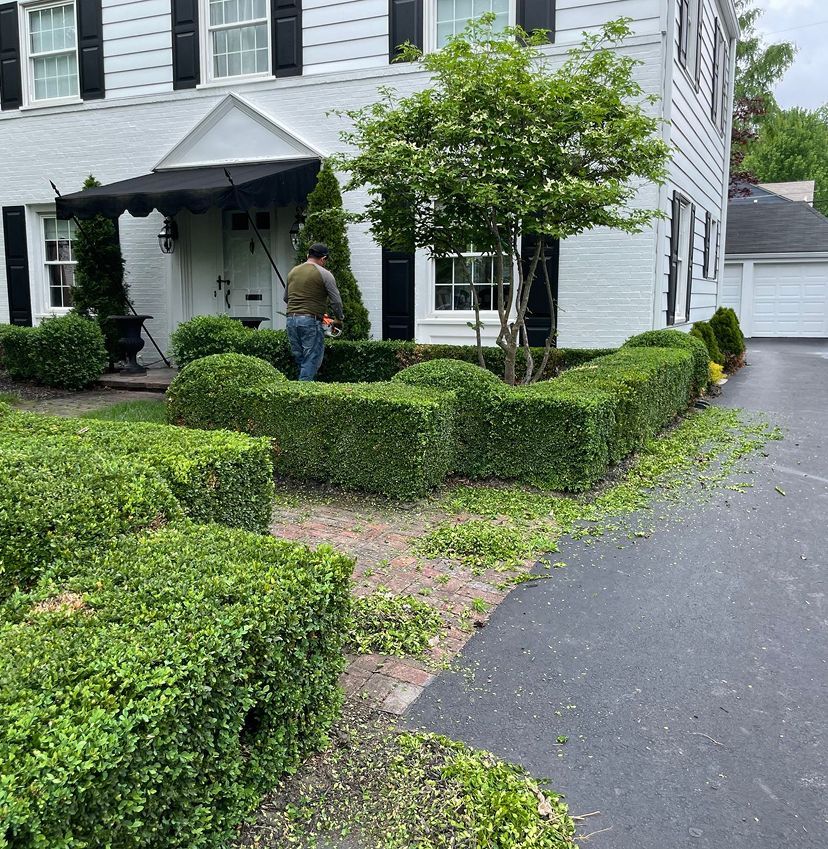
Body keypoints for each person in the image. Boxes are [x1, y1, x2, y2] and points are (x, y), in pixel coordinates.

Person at [284, 242, 344, 380]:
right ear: (323, 258)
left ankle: (302, 390)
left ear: (308, 255)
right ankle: (304, 395)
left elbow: (286, 298)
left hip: (291, 320)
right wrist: (339, 319)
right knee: (312, 359)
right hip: (310, 321)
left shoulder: (293, 271)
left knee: (301, 360)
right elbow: (336, 301)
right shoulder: (325, 274)